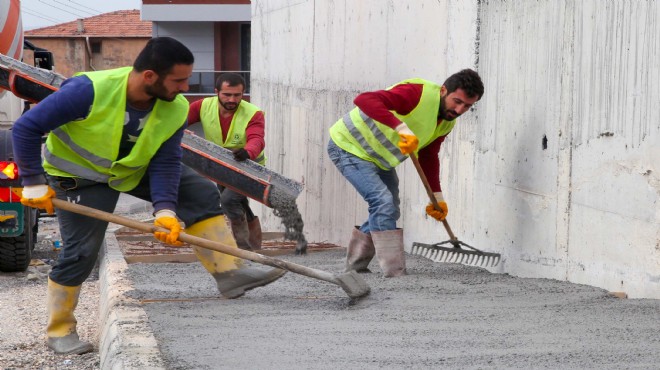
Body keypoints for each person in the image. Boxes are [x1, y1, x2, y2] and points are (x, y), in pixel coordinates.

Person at [12, 37, 285, 355]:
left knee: (197, 189)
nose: (185, 87)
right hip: (79, 180)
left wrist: (165, 210)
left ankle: (228, 272)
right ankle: (60, 330)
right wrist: (32, 182)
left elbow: (166, 161)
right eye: (179, 80)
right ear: (150, 76)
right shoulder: (88, 90)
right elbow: (25, 128)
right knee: (80, 253)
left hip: (130, 170)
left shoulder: (176, 107)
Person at [327, 69, 484, 277]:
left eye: (467, 106)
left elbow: (428, 155)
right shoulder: (417, 94)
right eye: (457, 101)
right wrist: (400, 128)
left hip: (380, 159)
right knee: (382, 202)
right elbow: (364, 99)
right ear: (444, 90)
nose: (459, 109)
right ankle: (394, 274)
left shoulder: (447, 122)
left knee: (389, 208)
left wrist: (436, 196)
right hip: (349, 147)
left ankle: (355, 268)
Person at [187, 73, 266, 251]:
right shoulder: (202, 106)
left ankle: (244, 249)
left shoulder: (253, 113)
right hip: (221, 167)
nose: (232, 99)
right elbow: (179, 123)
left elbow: (257, 139)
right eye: (227, 94)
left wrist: (247, 151)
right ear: (217, 92)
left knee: (229, 200)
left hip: (249, 167)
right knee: (239, 203)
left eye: (237, 95)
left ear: (243, 93)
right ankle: (255, 243)